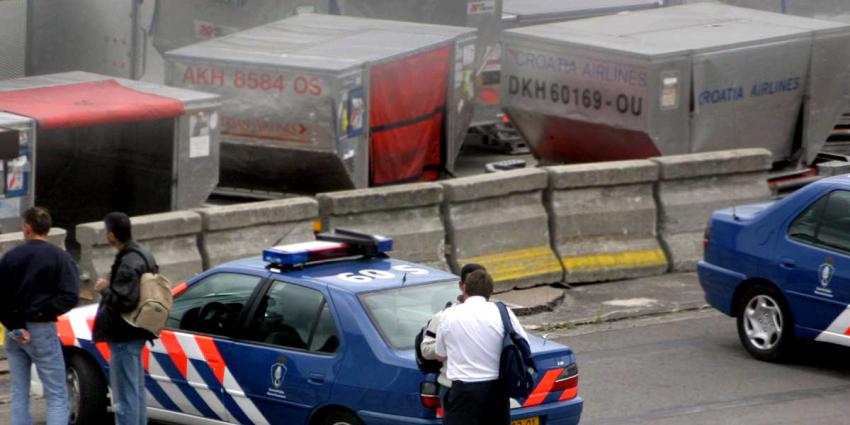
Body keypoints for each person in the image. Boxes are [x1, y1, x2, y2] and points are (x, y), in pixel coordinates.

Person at [0, 207, 80, 425]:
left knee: (19, 392)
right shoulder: (60, 257)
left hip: (14, 332)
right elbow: (71, 296)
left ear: (27, 228)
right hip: (42, 328)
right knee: (56, 394)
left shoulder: (11, 257)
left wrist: (16, 324)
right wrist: (42, 310)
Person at [435, 269, 529, 425]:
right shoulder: (503, 312)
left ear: (464, 288)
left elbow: (440, 353)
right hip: (496, 391)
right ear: (491, 292)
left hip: (463, 392)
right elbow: (523, 345)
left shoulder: (448, 315)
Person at [92, 212, 157, 425]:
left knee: (124, 396)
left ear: (111, 235)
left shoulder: (128, 262)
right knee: (135, 391)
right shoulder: (142, 253)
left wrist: (105, 289)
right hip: (138, 330)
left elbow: (123, 301)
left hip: (123, 334)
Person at [420, 263, 485, 409]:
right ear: (461, 285)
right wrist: (451, 347)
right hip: (454, 389)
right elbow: (426, 350)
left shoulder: (500, 315)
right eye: (471, 283)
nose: (476, 288)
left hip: (490, 388)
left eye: (480, 283)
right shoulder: (445, 316)